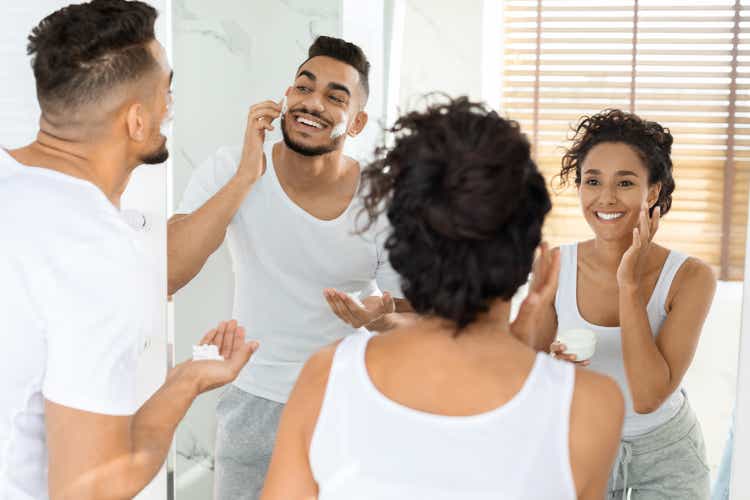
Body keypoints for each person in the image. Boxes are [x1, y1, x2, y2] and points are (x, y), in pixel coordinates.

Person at [261, 97, 625, 500]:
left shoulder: (327, 377)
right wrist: (521, 345)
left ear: (402, 246)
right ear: (540, 263)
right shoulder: (591, 406)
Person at [0, 2, 256, 498]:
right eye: (166, 92)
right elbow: (88, 490)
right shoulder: (95, 250)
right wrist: (186, 384)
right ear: (137, 121)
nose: (170, 106)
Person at [168, 36, 413, 499]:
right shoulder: (231, 169)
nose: (313, 103)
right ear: (285, 98)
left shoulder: (384, 198)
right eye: (304, 87)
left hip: (349, 405)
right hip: (252, 405)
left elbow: (424, 317)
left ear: (357, 122)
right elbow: (168, 270)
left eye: (335, 97)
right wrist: (245, 176)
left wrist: (379, 318)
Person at [535, 109, 716, 499]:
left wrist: (628, 284)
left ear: (652, 192)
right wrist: (551, 368)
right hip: (583, 446)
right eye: (593, 181)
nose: (606, 197)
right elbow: (522, 375)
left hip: (666, 458)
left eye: (626, 182)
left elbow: (648, 397)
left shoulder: (691, 278)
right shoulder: (554, 266)